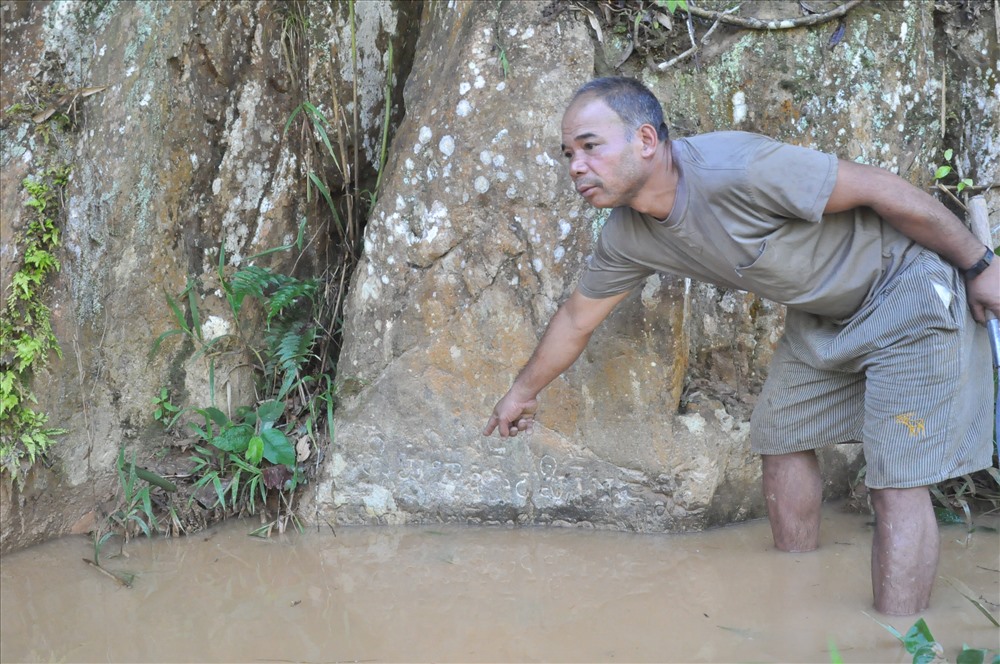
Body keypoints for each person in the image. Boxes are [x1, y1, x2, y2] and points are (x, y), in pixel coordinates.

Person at [483, 76, 998, 616]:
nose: (576, 166)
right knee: (780, 437)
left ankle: (897, 641)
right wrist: (521, 392)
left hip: (906, 289)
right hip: (824, 314)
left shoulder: (738, 168)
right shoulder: (626, 234)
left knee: (897, 478)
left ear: (645, 140)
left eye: (590, 146)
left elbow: (879, 187)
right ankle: (794, 594)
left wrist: (980, 265)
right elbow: (576, 318)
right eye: (568, 154)